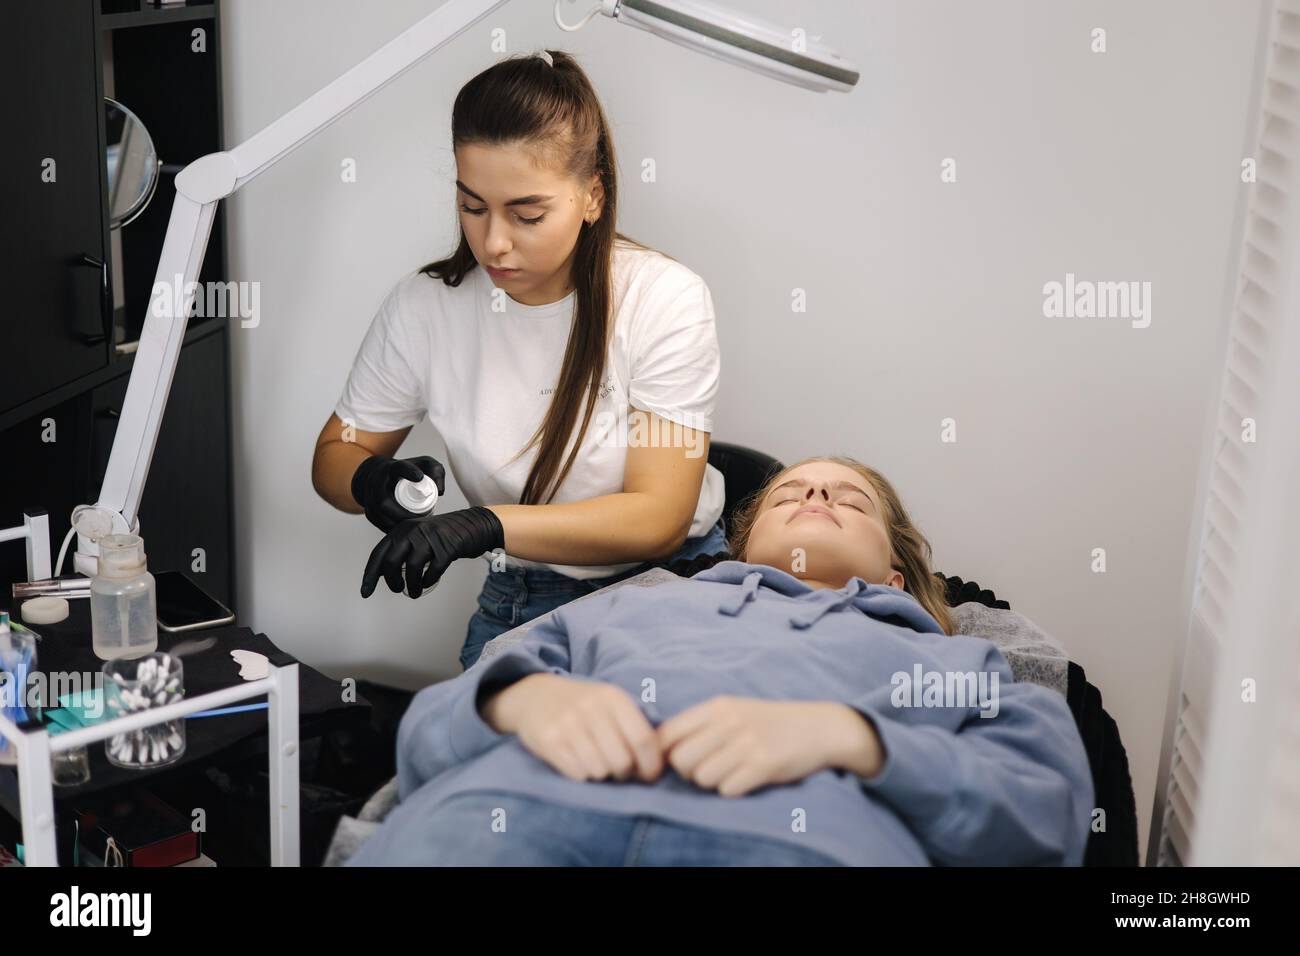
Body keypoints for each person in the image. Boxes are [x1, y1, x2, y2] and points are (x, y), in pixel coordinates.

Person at [346, 456, 1094, 866]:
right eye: (791, 492)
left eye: (850, 499)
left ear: (895, 573)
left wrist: (856, 742)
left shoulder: (958, 661)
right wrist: (516, 703)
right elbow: (423, 743)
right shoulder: (627, 605)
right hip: (508, 818)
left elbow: (1046, 815)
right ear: (744, 547)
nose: (818, 492)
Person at [311, 50, 726, 671]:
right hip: (522, 598)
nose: (494, 242)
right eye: (472, 207)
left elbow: (658, 517)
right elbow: (334, 455)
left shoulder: (664, 299)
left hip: (670, 584)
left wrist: (485, 526)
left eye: (527, 214)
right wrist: (370, 480)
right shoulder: (425, 307)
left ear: (592, 196)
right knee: (479, 753)